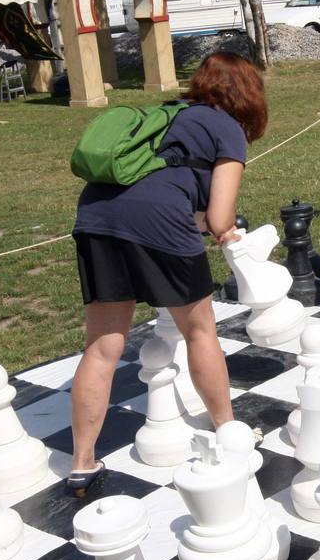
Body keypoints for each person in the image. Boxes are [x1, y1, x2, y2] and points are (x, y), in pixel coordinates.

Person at [66, 51, 267, 494]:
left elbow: (164, 186)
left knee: (102, 346)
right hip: (155, 222)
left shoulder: (165, 115)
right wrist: (226, 228)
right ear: (249, 93)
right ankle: (227, 429)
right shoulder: (228, 130)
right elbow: (218, 221)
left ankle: (82, 462)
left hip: (96, 216)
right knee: (200, 331)